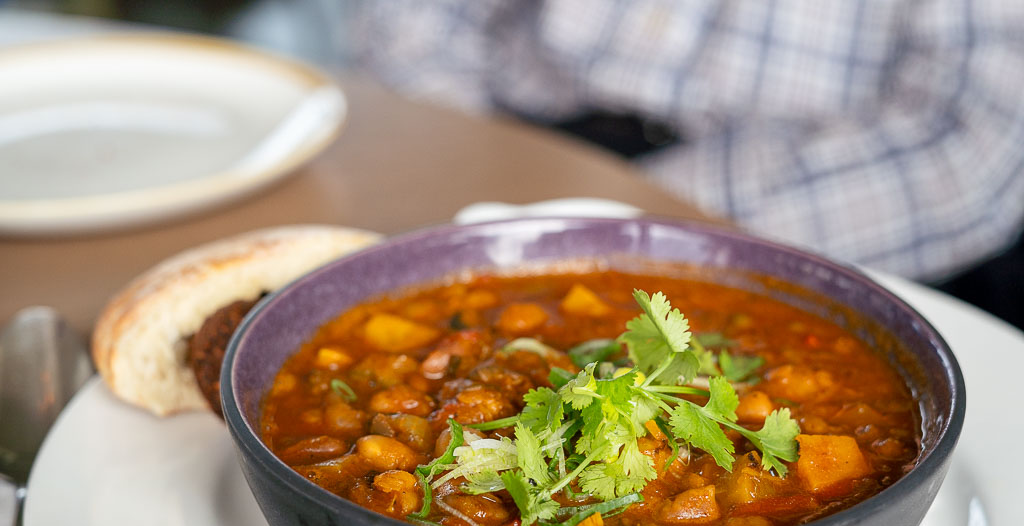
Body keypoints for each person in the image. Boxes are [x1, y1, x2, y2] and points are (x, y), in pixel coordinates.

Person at [345, 0, 1024, 324]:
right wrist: (482, 181)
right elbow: (415, 23)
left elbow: (976, 145)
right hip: (520, 149)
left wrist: (633, 231)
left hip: (832, 212)